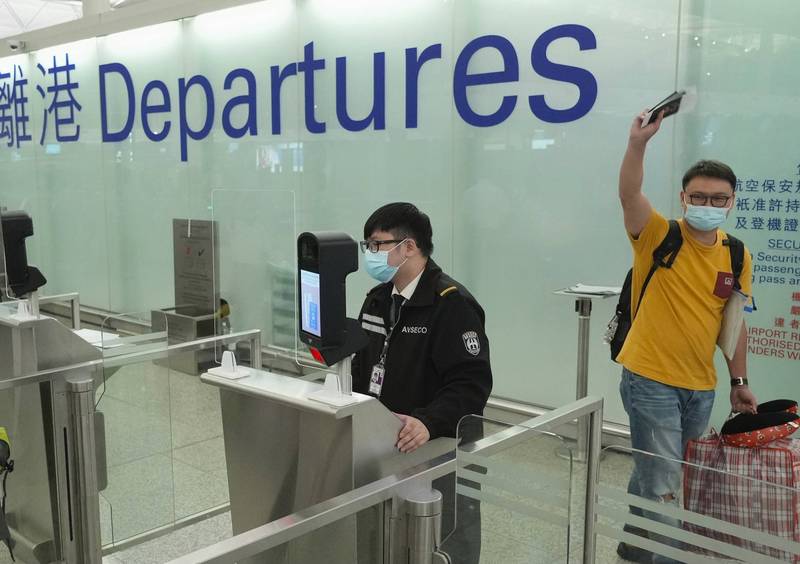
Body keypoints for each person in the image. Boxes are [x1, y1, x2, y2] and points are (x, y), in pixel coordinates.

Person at [616, 110, 758, 563]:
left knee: (661, 471)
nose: (707, 204)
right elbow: (630, 194)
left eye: (718, 198)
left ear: (731, 201)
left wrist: (739, 382)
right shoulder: (659, 234)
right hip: (650, 379)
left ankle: (634, 544)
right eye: (699, 196)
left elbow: (734, 324)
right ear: (683, 198)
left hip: (701, 386)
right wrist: (638, 144)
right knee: (665, 483)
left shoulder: (736, 254)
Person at [351, 202, 492, 564]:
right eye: (367, 246)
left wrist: (428, 422)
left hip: (441, 446)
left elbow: (471, 384)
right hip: (388, 444)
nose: (370, 254)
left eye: (377, 245)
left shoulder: (452, 305)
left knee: (448, 537)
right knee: (393, 535)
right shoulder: (378, 300)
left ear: (409, 247)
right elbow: (362, 367)